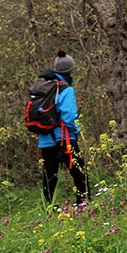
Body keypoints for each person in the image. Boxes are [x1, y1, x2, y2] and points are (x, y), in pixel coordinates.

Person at [38, 50, 89, 206]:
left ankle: (48, 206)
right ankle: (83, 203)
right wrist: (76, 130)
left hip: (45, 139)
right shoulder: (66, 89)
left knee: (49, 175)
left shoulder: (43, 86)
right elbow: (69, 116)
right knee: (79, 171)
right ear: (70, 70)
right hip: (64, 139)